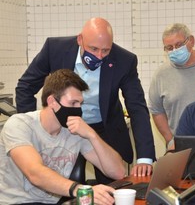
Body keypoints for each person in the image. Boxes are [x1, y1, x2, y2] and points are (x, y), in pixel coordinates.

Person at [15, 17, 155, 183]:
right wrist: (33, 129)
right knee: (64, 185)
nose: (99, 56)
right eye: (94, 49)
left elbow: (137, 107)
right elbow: (26, 86)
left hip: (104, 130)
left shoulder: (124, 61)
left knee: (112, 187)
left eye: (105, 51)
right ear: (80, 39)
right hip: (65, 130)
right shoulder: (55, 49)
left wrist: (145, 158)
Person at [0, 69, 126, 205]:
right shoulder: (20, 124)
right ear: (52, 101)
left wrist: (92, 135)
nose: (78, 109)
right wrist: (80, 190)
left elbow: (118, 172)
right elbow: (34, 173)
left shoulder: (74, 130)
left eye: (80, 104)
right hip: (15, 202)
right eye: (73, 103)